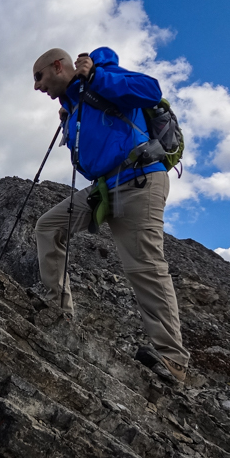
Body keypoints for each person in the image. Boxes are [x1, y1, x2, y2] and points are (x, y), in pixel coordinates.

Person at [32, 47, 190, 382]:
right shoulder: (74, 103)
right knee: (48, 226)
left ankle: (173, 359)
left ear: (58, 66)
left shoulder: (102, 77)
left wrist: (96, 77)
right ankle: (58, 309)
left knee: (145, 265)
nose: (37, 86)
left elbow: (151, 91)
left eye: (39, 76)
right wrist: (71, 111)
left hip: (139, 179)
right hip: (106, 187)